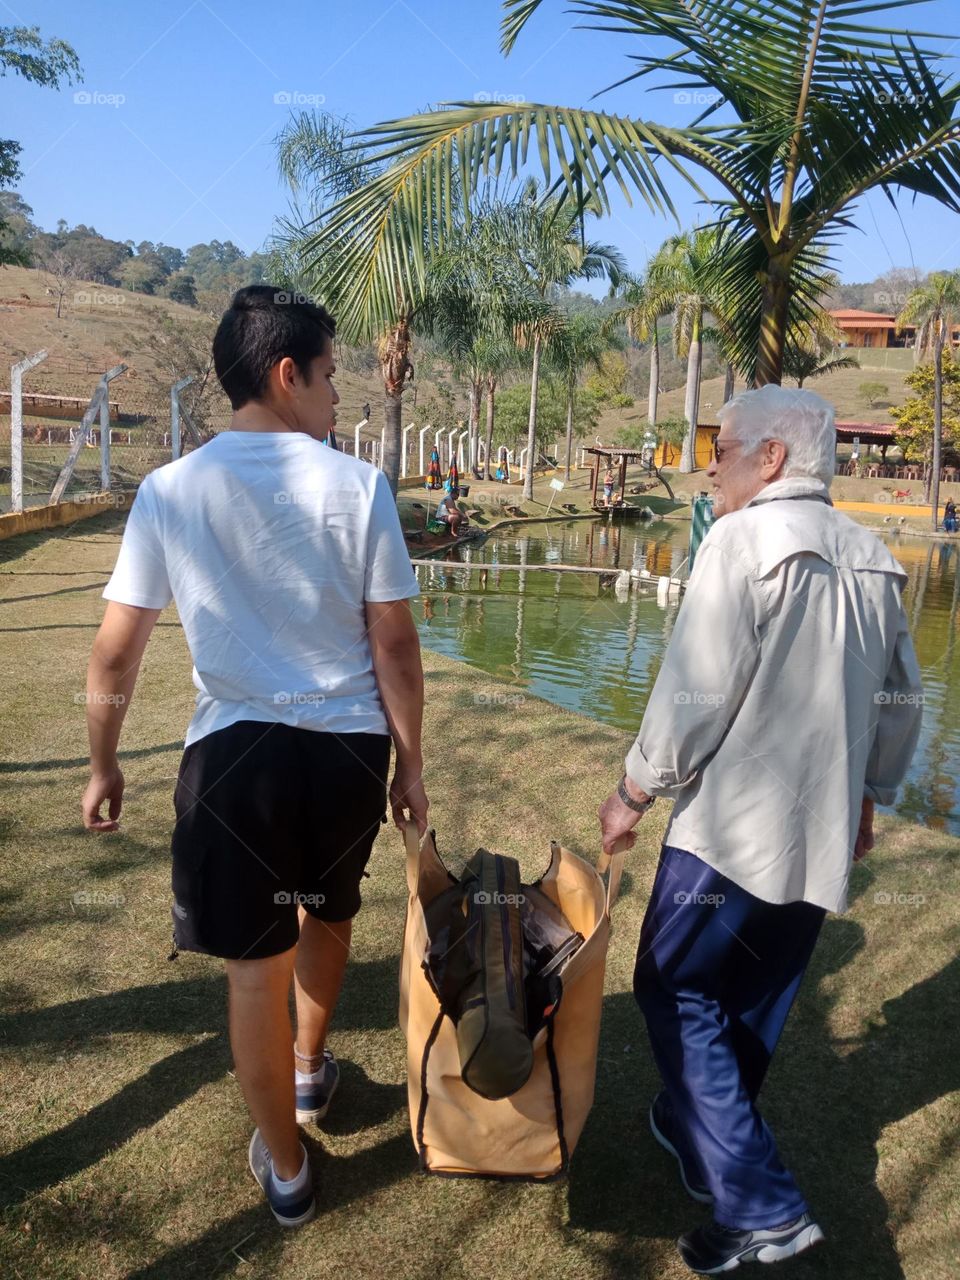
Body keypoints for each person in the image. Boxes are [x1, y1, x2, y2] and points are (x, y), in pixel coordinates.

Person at [81, 286, 429, 1229]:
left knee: (253, 971)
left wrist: (103, 760)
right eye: (328, 375)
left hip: (237, 764)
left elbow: (117, 651)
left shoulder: (170, 489)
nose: (334, 395)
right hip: (348, 757)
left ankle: (286, 1168)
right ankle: (310, 1075)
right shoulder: (355, 486)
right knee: (324, 913)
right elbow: (393, 644)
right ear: (287, 375)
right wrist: (411, 764)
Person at [598, 384, 922, 1275]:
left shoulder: (743, 541)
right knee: (751, 996)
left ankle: (762, 1207)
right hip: (817, 833)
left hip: (729, 833)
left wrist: (634, 790)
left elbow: (694, 693)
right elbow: (899, 703)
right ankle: (693, 1130)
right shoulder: (874, 554)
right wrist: (869, 796)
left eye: (723, 447)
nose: (711, 464)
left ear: (772, 456)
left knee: (673, 987)